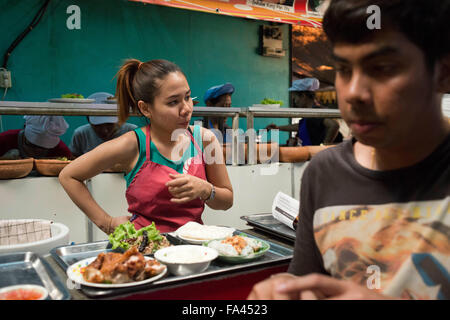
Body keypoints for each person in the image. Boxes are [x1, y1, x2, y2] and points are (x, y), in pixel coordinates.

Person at [249, 0, 450, 300]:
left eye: (382, 69)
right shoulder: (324, 173)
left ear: (443, 73)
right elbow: (308, 284)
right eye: (343, 69)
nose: (353, 92)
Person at [59, 59, 233, 234]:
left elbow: (227, 201)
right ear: (146, 109)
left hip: (191, 249)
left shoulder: (205, 140)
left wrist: (206, 189)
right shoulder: (133, 144)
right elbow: (69, 176)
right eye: (173, 102)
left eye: (187, 97)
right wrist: (107, 222)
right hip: (145, 249)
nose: (186, 109)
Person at [266, 77, 341, 146]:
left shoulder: (315, 112)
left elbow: (334, 125)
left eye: (295, 98)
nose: (295, 102)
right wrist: (278, 128)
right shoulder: (309, 114)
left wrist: (324, 146)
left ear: (303, 96)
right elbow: (302, 126)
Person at [69, 92, 137, 158]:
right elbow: (72, 159)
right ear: (89, 121)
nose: (104, 131)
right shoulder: (81, 134)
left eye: (109, 124)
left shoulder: (132, 131)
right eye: (98, 125)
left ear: (119, 119)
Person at [0, 115, 71, 160]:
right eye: (32, 145)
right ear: (25, 127)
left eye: (44, 148)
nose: (38, 151)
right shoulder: (5, 139)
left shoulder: (60, 150)